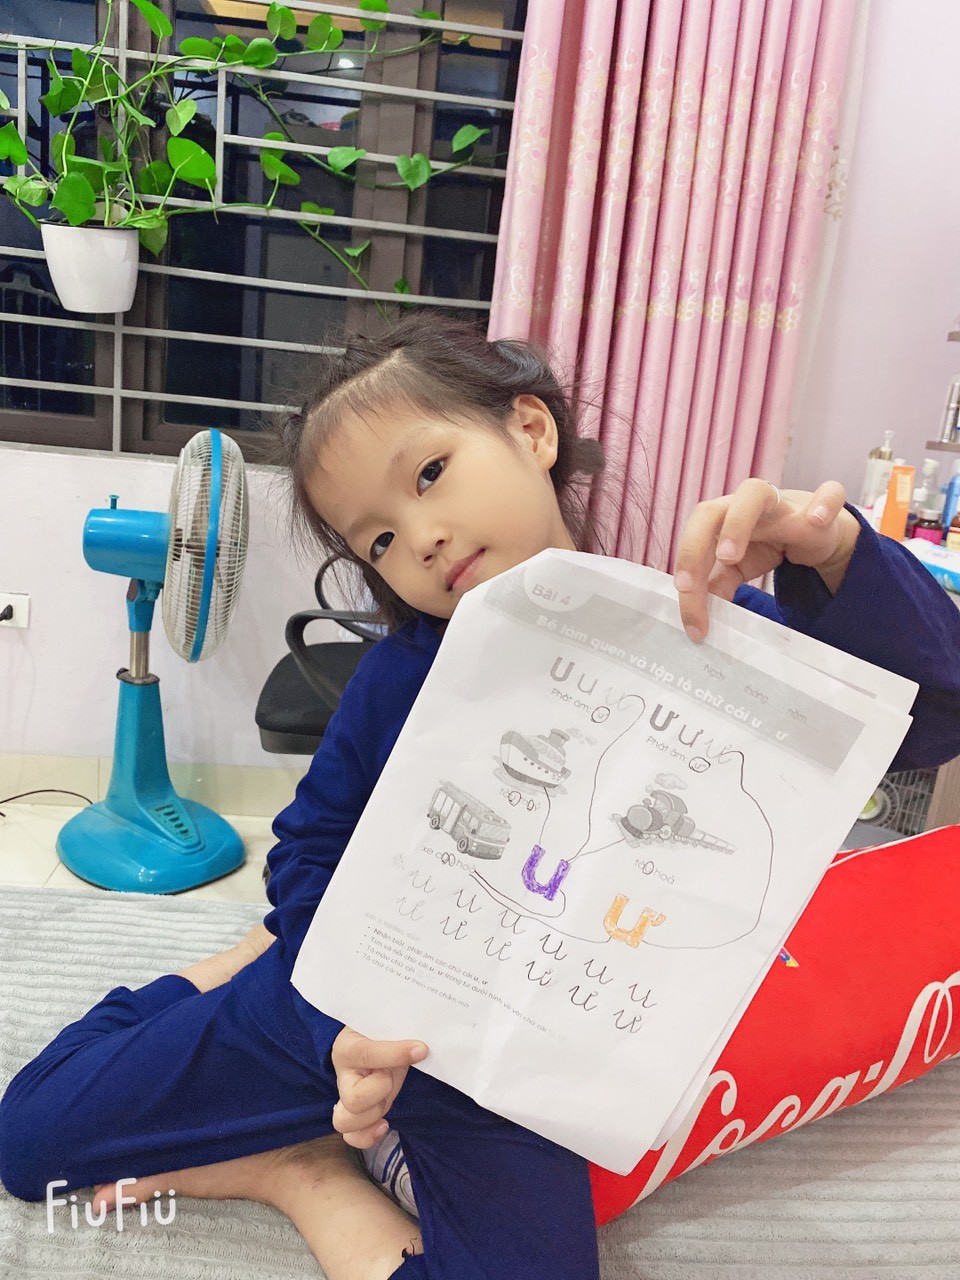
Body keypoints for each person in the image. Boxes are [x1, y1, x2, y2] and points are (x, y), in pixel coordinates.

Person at [1, 314, 959, 1280]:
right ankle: (241, 992)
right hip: (355, 1011)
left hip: (524, 1062)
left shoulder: (703, 633)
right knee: (32, 1141)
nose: (420, 539)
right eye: (379, 538)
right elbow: (310, 846)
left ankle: (296, 1171)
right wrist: (340, 1017)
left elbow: (933, 720)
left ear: (531, 431)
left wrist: (835, 552)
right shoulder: (399, 673)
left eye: (429, 474)